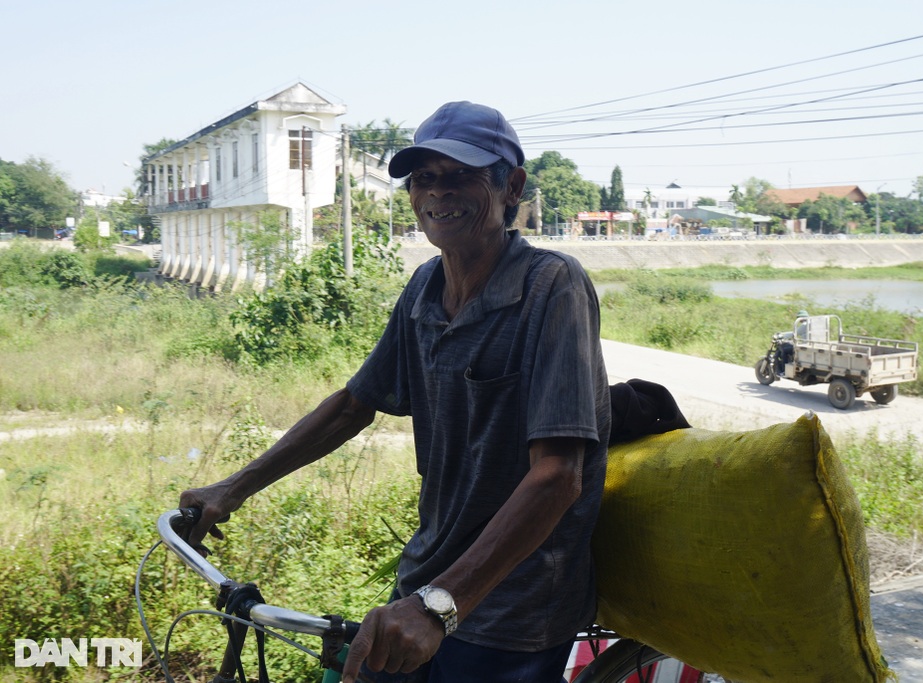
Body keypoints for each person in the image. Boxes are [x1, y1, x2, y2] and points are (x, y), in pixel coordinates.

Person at [178, 101, 611, 683]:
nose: (439, 193)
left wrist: (440, 607)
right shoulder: (426, 287)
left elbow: (557, 475)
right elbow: (355, 404)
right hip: (428, 582)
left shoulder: (551, 286)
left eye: (462, 175)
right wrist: (230, 488)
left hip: (511, 605)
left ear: (511, 186)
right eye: (424, 179)